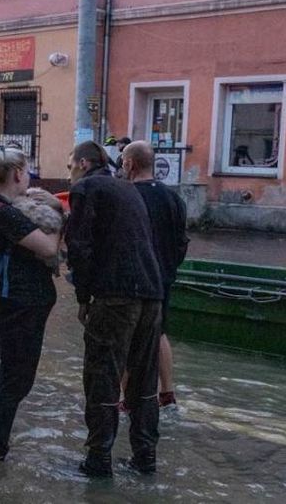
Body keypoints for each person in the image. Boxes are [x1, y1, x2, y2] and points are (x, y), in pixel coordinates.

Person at [66, 141, 165, 477]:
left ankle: (98, 459)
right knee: (143, 377)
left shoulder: (86, 188)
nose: (69, 174)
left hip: (115, 295)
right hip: (152, 293)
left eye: (69, 166)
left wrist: (83, 297)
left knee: (102, 374)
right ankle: (145, 457)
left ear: (82, 163)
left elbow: (79, 247)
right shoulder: (127, 189)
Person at [0, 147, 62, 461]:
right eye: (28, 171)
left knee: (10, 376)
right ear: (18, 173)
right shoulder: (1, 212)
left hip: (17, 305)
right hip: (18, 306)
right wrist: (60, 214)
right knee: (16, 379)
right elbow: (48, 248)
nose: (30, 177)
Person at [123, 141, 188, 410]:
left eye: (124, 162)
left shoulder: (126, 196)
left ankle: (123, 398)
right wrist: (169, 267)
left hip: (134, 278)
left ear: (130, 165)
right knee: (159, 332)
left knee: (127, 336)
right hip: (163, 277)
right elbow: (182, 241)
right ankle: (167, 393)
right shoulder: (174, 199)